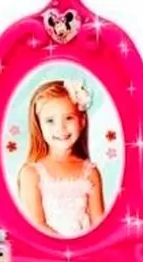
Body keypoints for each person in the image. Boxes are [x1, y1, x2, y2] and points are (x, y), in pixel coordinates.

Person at [18, 79, 105, 236]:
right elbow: (37, 226)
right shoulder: (31, 174)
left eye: (69, 118)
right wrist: (67, 248)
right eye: (50, 121)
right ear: (39, 126)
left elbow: (99, 225)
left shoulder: (90, 172)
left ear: (82, 121)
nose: (61, 128)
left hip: (85, 250)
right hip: (47, 250)